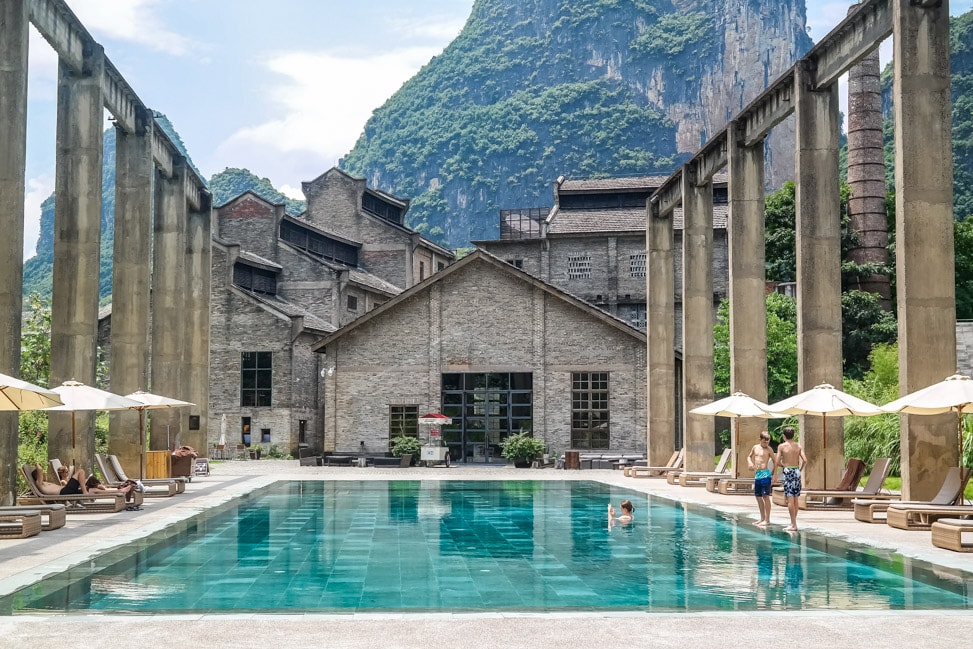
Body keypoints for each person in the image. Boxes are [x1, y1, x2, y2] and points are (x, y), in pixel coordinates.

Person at [775, 426, 808, 532]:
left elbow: (776, 461)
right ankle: (793, 522)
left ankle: (793, 524)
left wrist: (783, 465)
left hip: (788, 471)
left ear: (784, 436)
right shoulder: (798, 446)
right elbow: (805, 460)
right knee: (795, 499)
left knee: (789, 499)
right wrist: (800, 469)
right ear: (793, 436)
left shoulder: (781, 446)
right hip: (796, 471)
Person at [747, 431, 776, 527]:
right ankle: (762, 518)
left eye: (768, 442)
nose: (766, 444)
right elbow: (749, 456)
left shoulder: (769, 450)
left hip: (765, 475)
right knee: (758, 497)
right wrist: (750, 463)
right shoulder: (755, 447)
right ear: (760, 440)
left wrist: (774, 475)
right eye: (764, 442)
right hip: (757, 475)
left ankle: (767, 519)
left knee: (766, 497)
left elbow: (775, 462)